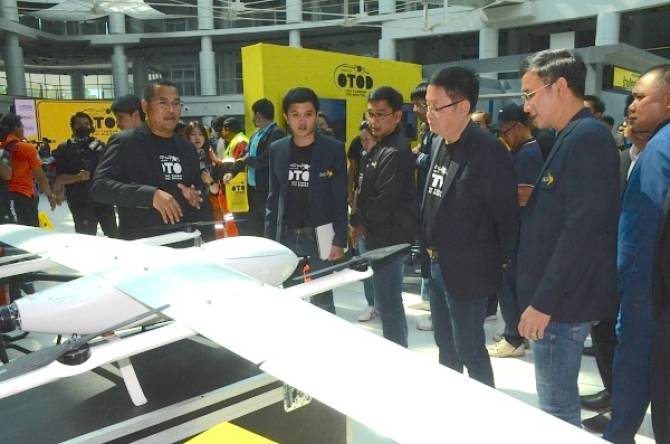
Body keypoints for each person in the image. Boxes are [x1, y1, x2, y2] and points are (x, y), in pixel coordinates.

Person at [516, 49, 619, 427]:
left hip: (561, 306)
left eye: (529, 95)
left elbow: (583, 231)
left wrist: (543, 302)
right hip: (558, 301)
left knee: (557, 414)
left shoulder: (586, 138)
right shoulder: (569, 135)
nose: (525, 107)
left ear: (558, 87)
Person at [422, 67, 519, 387]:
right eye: (426, 105)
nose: (428, 113)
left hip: (468, 271)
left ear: (462, 107)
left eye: (435, 106)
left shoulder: (489, 151)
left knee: (469, 348)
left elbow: (506, 218)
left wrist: (493, 264)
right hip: (436, 264)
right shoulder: (438, 142)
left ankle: (485, 410)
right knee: (445, 345)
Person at [606, 65, 670, 443]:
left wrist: (624, 285)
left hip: (645, 292)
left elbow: (643, 234)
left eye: (640, 97)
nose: (632, 106)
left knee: (633, 372)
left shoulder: (658, 151)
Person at [581, 96, 649, 434]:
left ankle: (624, 411)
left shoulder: (658, 161)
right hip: (610, 268)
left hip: (646, 277)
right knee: (605, 335)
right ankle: (614, 395)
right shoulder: (620, 159)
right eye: (628, 121)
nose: (631, 127)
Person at [91, 79, 213, 241]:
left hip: (184, 242)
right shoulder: (126, 142)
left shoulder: (187, 148)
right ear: (145, 106)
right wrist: (150, 196)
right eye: (163, 103)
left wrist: (196, 195)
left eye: (176, 103)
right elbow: (99, 187)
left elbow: (198, 188)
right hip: (143, 245)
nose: (171, 110)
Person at [265, 87, 347, 314]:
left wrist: (340, 239)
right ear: (286, 117)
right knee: (291, 298)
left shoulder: (333, 149)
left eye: (308, 114)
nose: (302, 121)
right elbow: (273, 198)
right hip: (286, 234)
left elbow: (340, 197)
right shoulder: (277, 149)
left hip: (322, 233)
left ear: (316, 115)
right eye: (295, 115)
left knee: (323, 298)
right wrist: (270, 241)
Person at [350, 86, 418, 347]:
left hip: (390, 239)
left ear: (397, 116)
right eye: (370, 114)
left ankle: (398, 353)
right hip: (376, 234)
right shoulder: (378, 147)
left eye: (381, 114)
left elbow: (383, 200)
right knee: (385, 302)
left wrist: (357, 223)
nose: (374, 121)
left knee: (389, 304)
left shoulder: (396, 151)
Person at [486, 103, 543, 359]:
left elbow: (524, 194)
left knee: (508, 285)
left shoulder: (528, 154)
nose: (503, 137)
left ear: (519, 127)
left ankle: (513, 338)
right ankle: (519, 333)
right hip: (516, 230)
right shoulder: (521, 151)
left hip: (518, 231)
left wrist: (493, 194)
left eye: (505, 131)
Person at [224, 99, 285, 237]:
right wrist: (232, 172)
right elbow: (244, 156)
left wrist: (247, 160)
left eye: (253, 114)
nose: (252, 118)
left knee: (269, 226)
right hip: (253, 190)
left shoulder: (276, 133)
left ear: (258, 115)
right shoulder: (255, 135)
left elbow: (267, 158)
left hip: (267, 190)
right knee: (254, 227)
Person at [53, 112, 117, 237]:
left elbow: (111, 170)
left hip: (103, 200)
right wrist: (78, 177)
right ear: (72, 127)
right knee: (86, 238)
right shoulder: (65, 148)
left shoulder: (99, 146)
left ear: (91, 126)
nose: (83, 127)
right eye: (79, 124)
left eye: (86, 124)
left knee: (113, 236)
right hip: (80, 202)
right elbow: (59, 179)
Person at [0, 113, 57, 226]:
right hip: (24, 196)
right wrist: (50, 196)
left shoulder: (1, 147)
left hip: (4, 198)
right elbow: (40, 176)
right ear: (16, 128)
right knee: (29, 231)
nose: (23, 130)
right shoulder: (26, 148)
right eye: (22, 127)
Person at [410, 81, 435, 332]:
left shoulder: (438, 132)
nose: (415, 109)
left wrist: (418, 156)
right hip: (424, 196)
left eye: (420, 104)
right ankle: (428, 298)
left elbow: (433, 161)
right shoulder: (426, 130)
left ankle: (436, 309)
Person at [350, 121, 378, 323]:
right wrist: (354, 214)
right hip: (361, 219)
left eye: (367, 139)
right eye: (361, 140)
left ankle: (384, 304)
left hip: (378, 223)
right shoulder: (364, 157)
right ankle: (371, 303)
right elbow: (358, 189)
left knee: (382, 267)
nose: (364, 144)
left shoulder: (386, 158)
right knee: (365, 263)